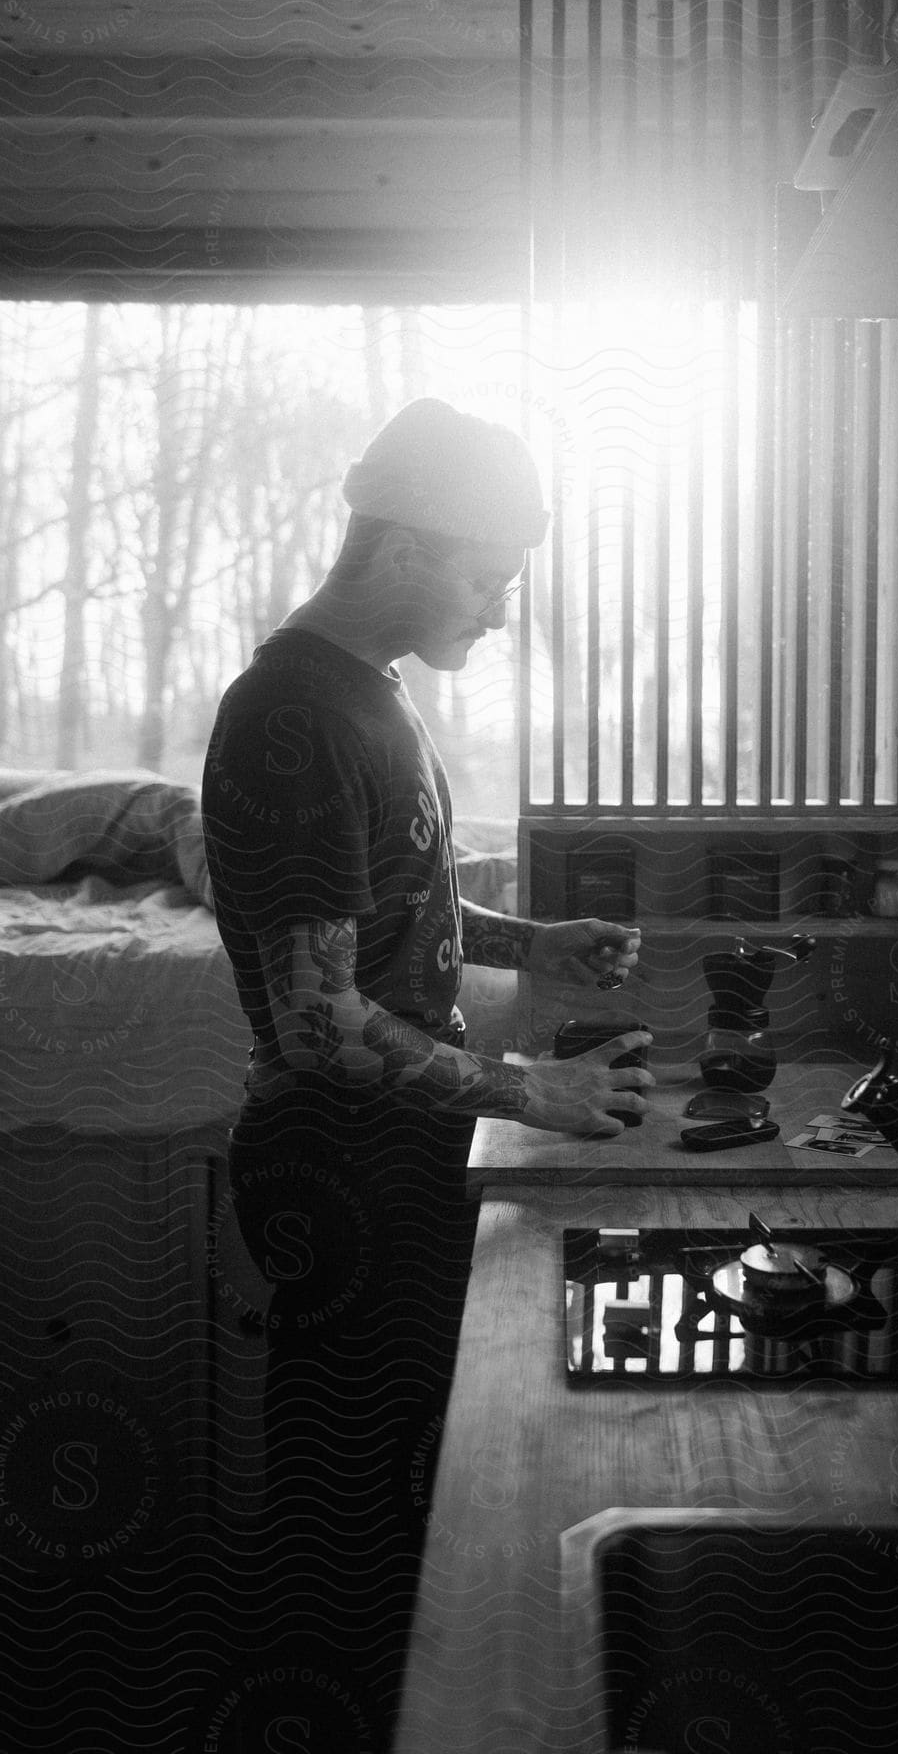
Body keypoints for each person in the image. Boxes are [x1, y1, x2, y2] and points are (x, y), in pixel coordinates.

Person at [200, 397, 652, 1743]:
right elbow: (320, 1024)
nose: (500, 611)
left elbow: (392, 900)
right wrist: (537, 1096)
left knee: (404, 1489)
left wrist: (536, 942)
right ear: (402, 544)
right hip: (335, 1162)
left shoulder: (366, 696)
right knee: (345, 1515)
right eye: (487, 577)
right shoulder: (290, 712)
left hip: (385, 1153)